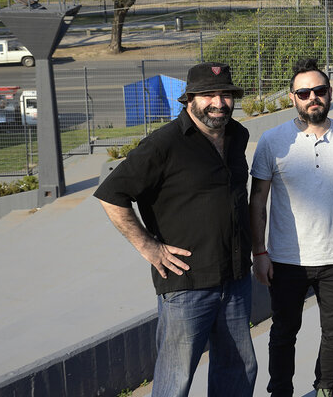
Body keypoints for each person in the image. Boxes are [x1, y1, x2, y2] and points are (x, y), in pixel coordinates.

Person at [94, 62, 257, 397]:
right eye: (209, 94)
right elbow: (111, 195)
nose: (219, 102)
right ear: (189, 100)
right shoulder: (163, 144)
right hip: (186, 286)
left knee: (239, 368)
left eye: (226, 94)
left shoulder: (237, 135)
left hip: (236, 278)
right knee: (176, 378)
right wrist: (149, 247)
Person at [249, 58, 333, 397]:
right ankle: (280, 391)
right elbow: (258, 201)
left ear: (329, 93)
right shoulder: (272, 141)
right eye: (304, 92)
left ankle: (326, 386)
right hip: (286, 259)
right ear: (293, 97)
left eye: (319, 90)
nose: (312, 97)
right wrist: (259, 252)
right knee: (283, 332)